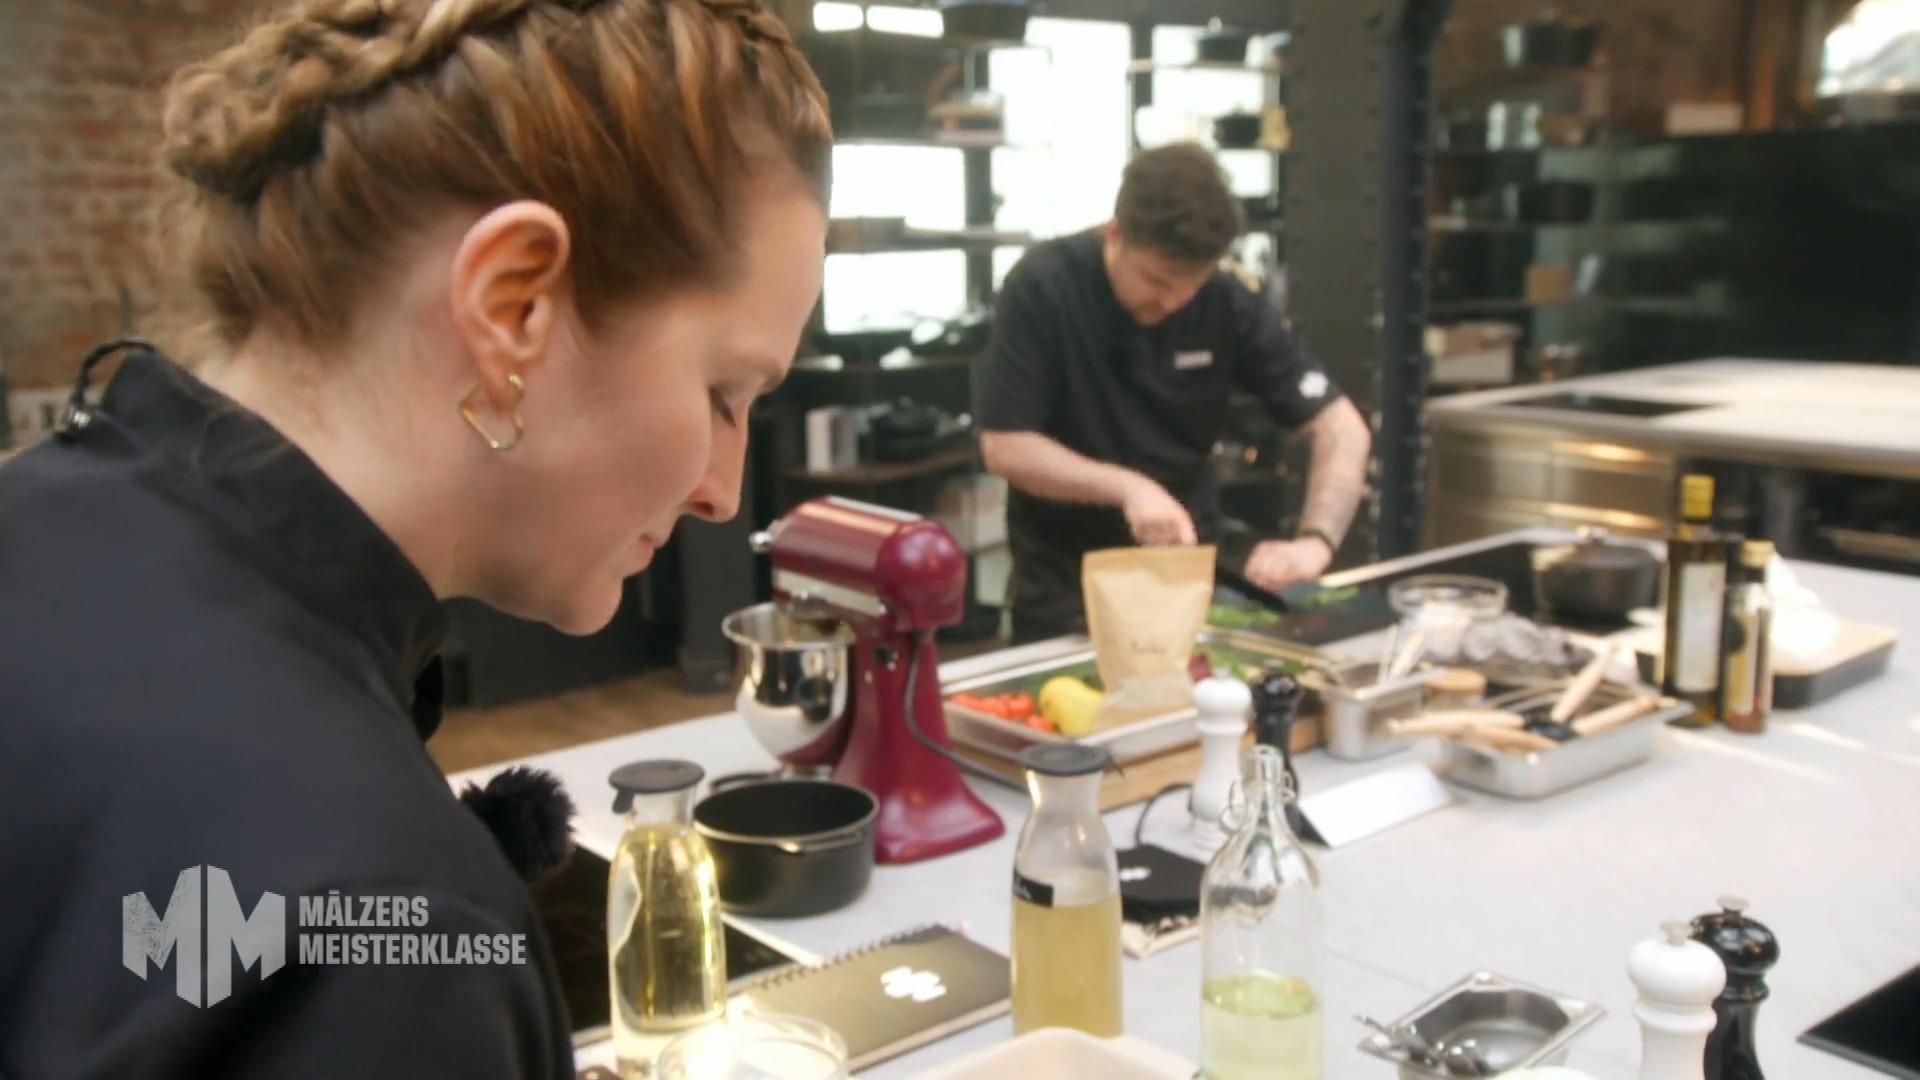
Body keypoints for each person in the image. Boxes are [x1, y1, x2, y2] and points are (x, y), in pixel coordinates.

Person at [0, 0, 828, 1075]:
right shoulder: (387, 923)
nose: (722, 490)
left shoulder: (42, 517)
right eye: (724, 391)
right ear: (513, 303)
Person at [978, 143, 1372, 643]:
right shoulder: (1043, 287)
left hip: (1187, 581)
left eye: (1190, 285)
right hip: (1066, 592)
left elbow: (1341, 427)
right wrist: (1130, 489)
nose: (1172, 300)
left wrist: (1316, 542)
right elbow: (1006, 446)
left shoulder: (1226, 301)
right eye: (1155, 280)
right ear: (1115, 234)